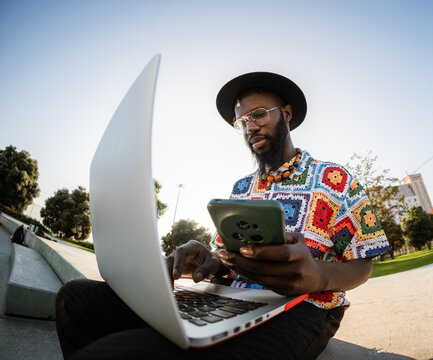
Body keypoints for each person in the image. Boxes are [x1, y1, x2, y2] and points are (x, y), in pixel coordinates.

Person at [55, 72, 390, 360]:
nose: (251, 127)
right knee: (76, 300)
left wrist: (319, 276)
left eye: (259, 114)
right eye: (242, 122)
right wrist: (210, 261)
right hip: (233, 299)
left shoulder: (334, 179)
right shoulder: (242, 187)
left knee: (129, 351)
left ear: (286, 114)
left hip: (306, 308)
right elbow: (227, 256)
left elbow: (364, 262)